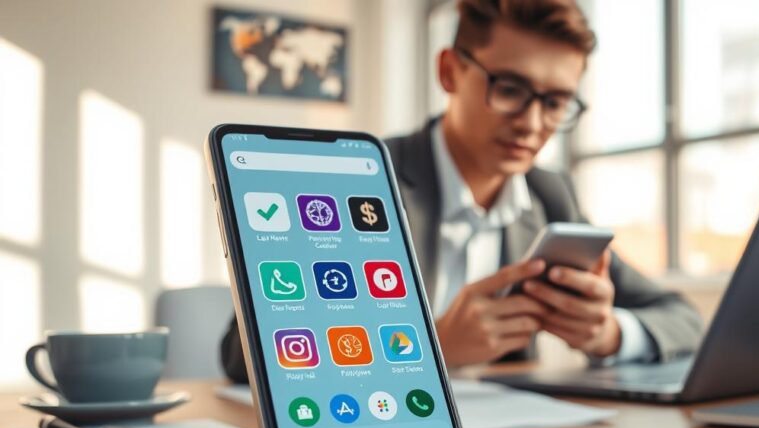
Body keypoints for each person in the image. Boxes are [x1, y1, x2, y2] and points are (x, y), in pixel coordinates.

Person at [221, 0, 702, 383]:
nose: (533, 124)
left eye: (555, 103)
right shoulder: (353, 178)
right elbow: (241, 354)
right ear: (450, 72)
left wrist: (608, 333)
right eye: (511, 88)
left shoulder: (549, 195)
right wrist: (430, 348)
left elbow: (682, 317)